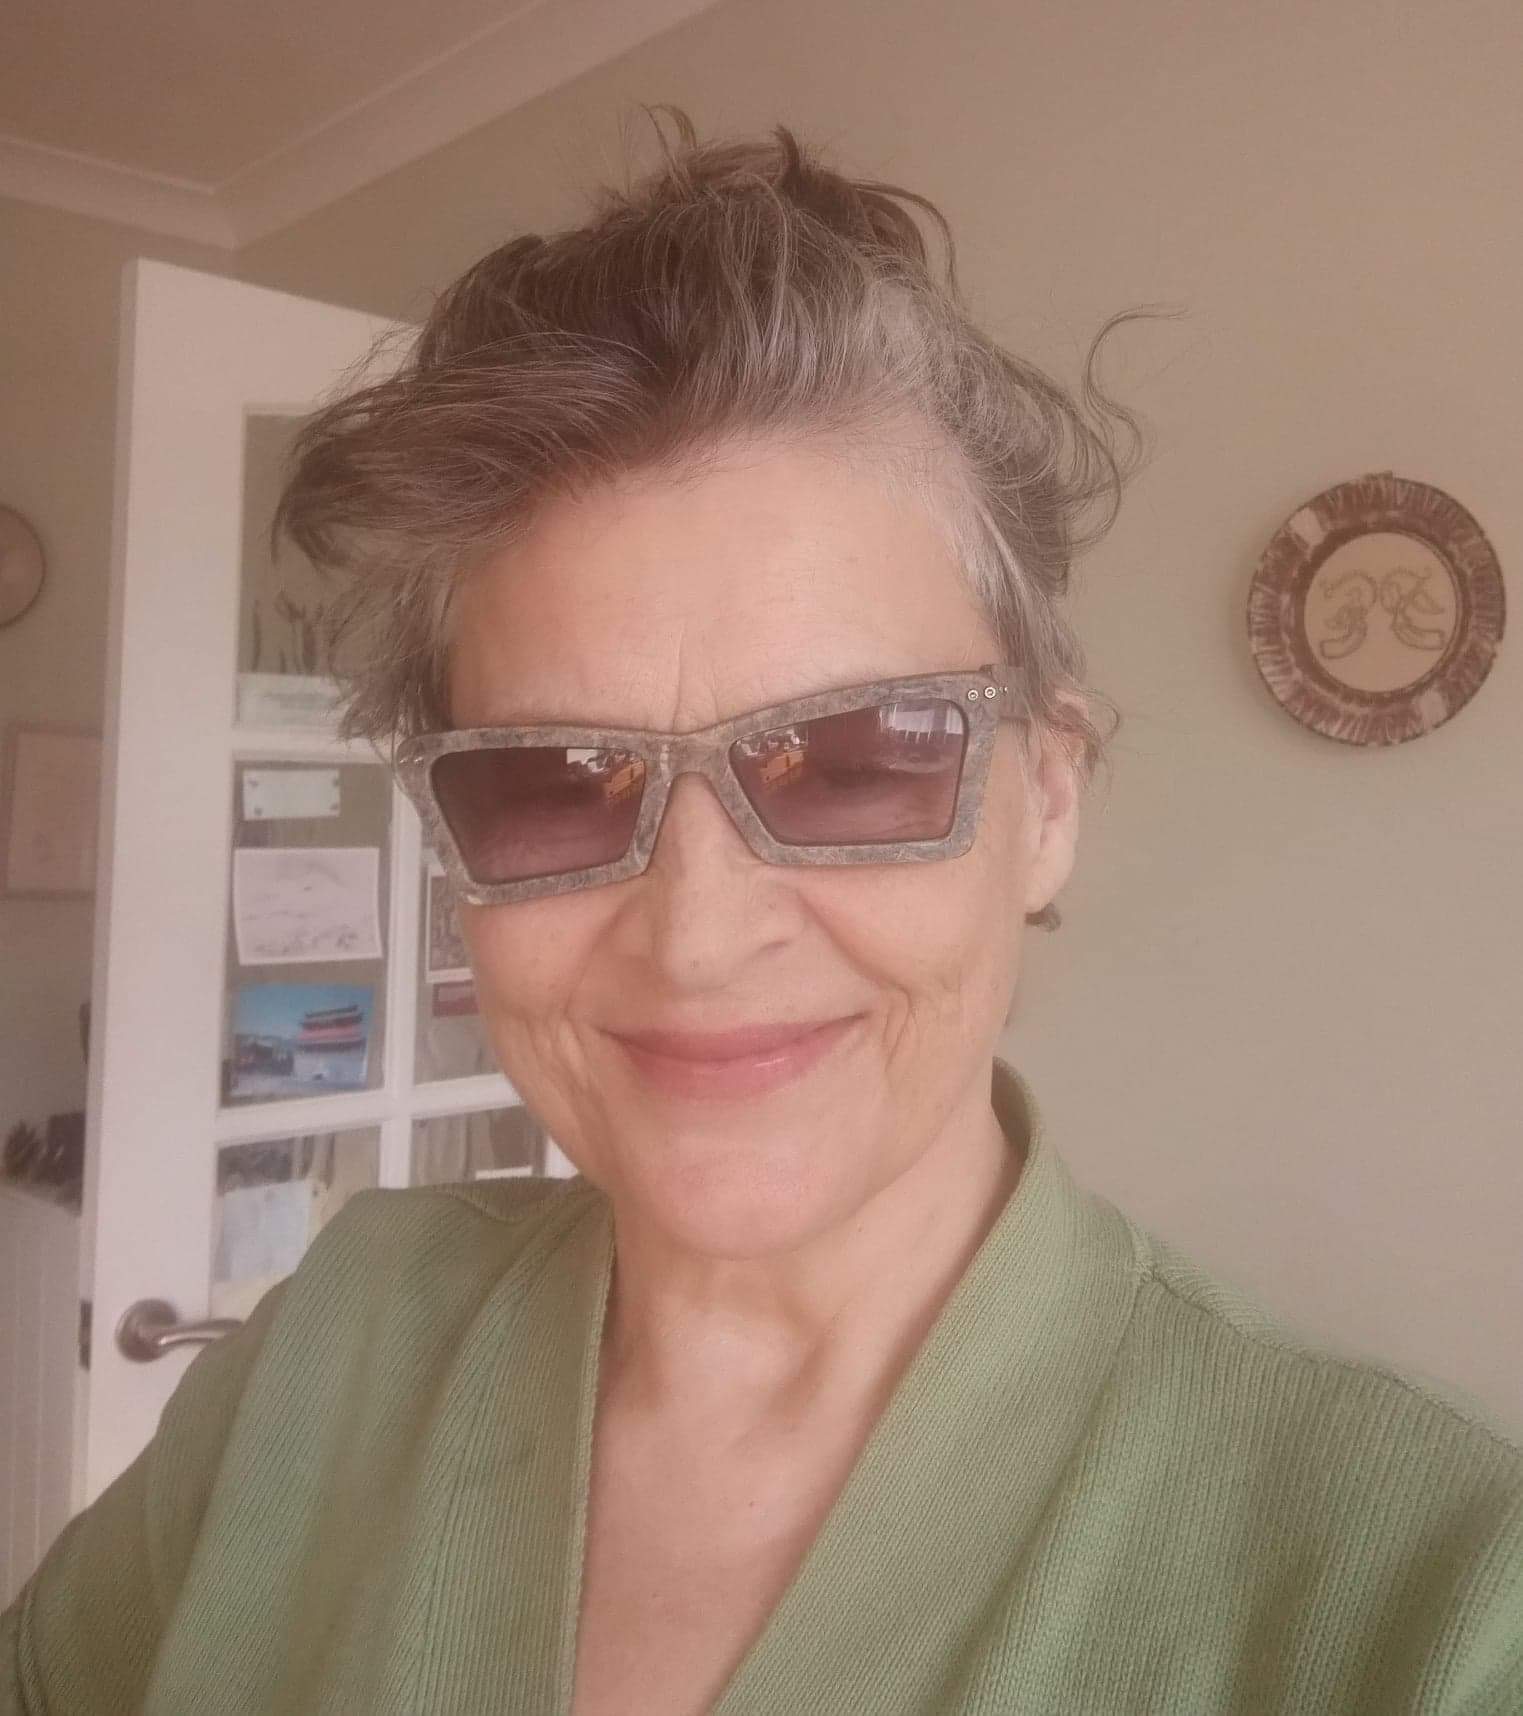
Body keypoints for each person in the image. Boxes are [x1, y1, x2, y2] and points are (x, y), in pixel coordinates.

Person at [4, 110, 1521, 1716]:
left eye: (857, 760)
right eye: (553, 781)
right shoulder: (339, 1337)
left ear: (1048, 804)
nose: (699, 935)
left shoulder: (1433, 1607)